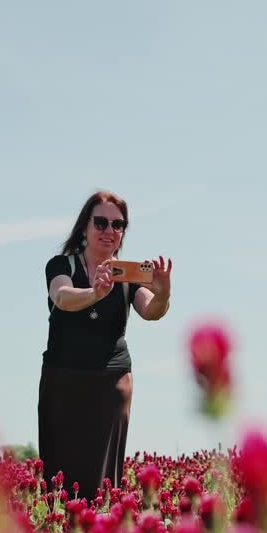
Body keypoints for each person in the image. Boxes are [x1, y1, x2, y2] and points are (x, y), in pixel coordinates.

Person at [37, 190, 173, 502]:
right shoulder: (62, 265)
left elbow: (151, 310)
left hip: (111, 383)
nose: (109, 231)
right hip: (63, 380)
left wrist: (163, 293)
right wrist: (95, 294)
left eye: (118, 225)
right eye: (100, 222)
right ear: (84, 227)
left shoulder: (129, 274)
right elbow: (62, 298)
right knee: (60, 472)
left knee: (102, 477)